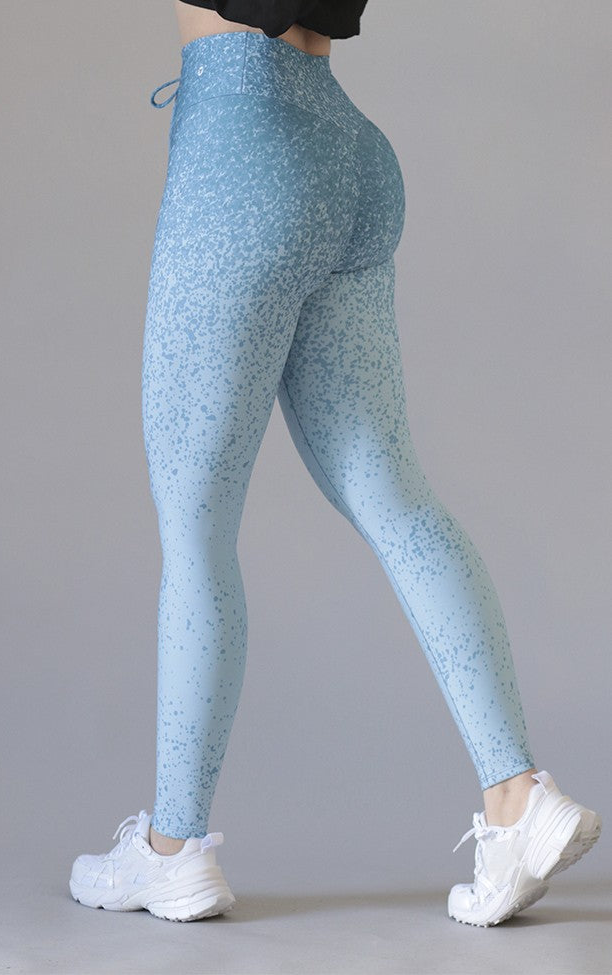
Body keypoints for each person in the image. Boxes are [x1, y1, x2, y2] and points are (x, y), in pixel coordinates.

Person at [69, 0, 602, 926]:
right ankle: (518, 797)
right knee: (397, 496)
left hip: (242, 149)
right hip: (347, 154)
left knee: (196, 531)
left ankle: (172, 850)